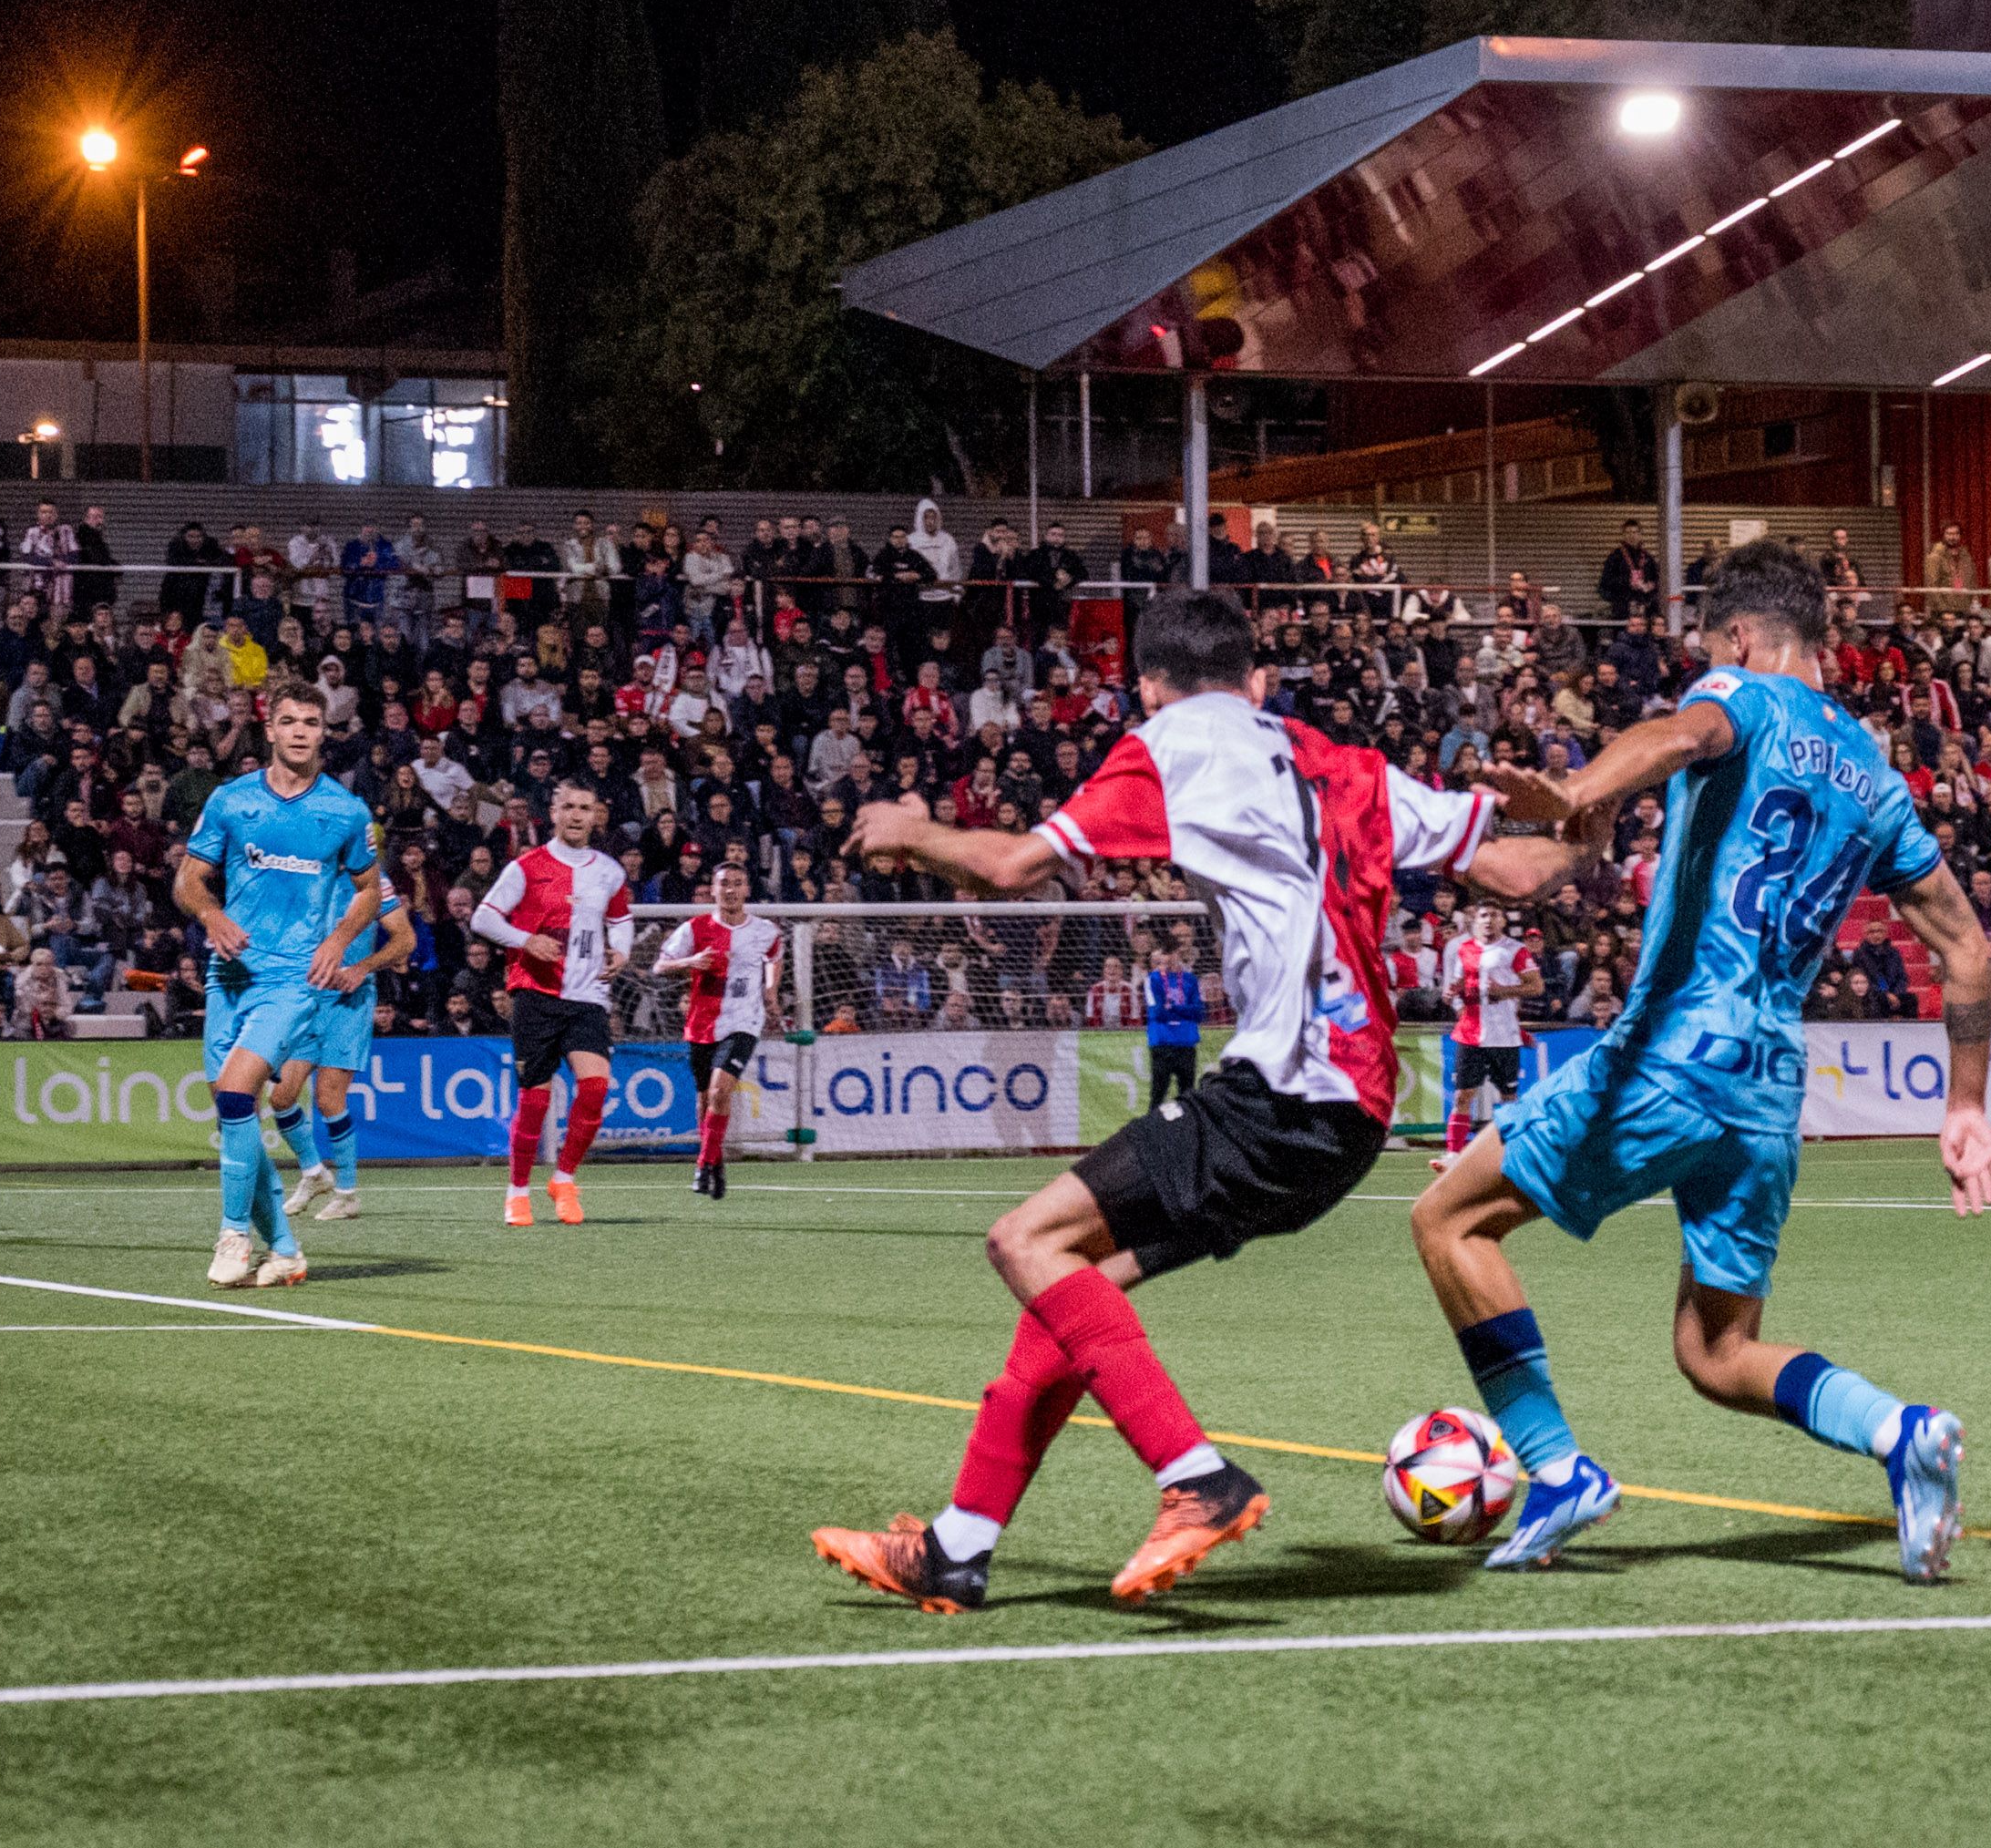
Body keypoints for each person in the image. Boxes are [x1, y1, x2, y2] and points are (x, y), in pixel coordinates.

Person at [809, 587, 1583, 1617]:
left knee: (1023, 1242)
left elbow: (1008, 864)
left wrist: (913, 828)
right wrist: (1598, 814)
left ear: (1149, 687)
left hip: (1278, 1095)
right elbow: (1522, 869)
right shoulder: (1348, 763)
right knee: (1071, 1288)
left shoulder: (1172, 742)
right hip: (1347, 1116)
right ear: (1256, 678)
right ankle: (957, 1546)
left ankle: (1196, 1477)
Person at [1416, 538, 1991, 1583]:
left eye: (1707, 648)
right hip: (1770, 1090)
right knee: (1716, 1353)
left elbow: (1679, 730)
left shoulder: (1742, 693)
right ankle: (1901, 1431)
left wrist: (1572, 786)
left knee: (1449, 1218)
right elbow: (1967, 947)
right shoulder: (1874, 775)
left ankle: (1555, 1470)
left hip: (1672, 1053)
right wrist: (1965, 1107)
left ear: (1738, 637)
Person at [173, 680, 387, 1287]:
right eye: (288, 721)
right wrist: (212, 915)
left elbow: (370, 889)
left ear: (324, 732)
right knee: (232, 1113)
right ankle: (287, 1249)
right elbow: (188, 880)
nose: (300, 732)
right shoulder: (230, 801)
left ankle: (233, 1235)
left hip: (295, 980)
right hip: (230, 975)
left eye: (311, 723)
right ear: (268, 729)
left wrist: (338, 940)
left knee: (239, 1094)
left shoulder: (345, 811)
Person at [470, 779, 637, 1228]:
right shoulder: (526, 867)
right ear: (555, 812)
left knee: (596, 1088)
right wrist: (526, 941)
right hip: (536, 995)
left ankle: (563, 1179)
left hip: (588, 996)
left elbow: (620, 920)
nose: (578, 815)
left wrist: (620, 951)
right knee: (535, 1100)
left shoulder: (609, 870)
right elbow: (482, 917)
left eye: (586, 807)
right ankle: (517, 1191)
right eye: (569, 807)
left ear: (595, 813)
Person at [269, 869, 412, 1224]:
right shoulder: (299, 870)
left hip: (349, 1002)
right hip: (302, 999)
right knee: (281, 1097)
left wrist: (362, 968)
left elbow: (404, 940)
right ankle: (314, 1172)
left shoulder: (374, 881)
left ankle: (347, 1193)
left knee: (329, 1099)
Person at [652, 859, 784, 1200]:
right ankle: (716, 1161)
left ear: (747, 889)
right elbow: (659, 966)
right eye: (724, 883)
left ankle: (702, 1164)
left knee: (718, 1092)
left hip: (744, 1022)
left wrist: (770, 991)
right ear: (713, 889)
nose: (730, 889)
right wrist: (689, 963)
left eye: (737, 883)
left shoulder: (764, 930)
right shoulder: (694, 929)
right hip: (702, 1024)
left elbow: (775, 956)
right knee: (703, 1100)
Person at [1439, 899, 1536, 1159]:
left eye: (1495, 914)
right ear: (1475, 920)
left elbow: (1536, 986)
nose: (1489, 920)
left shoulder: (1515, 950)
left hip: (1504, 1035)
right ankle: (1452, 1156)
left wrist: (1505, 992)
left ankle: (1512, 1153)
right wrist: (1452, 991)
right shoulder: (1464, 949)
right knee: (1463, 1095)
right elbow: (1460, 982)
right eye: (1484, 915)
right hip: (1470, 1033)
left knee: (1508, 1096)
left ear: (1503, 920)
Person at [1141, 925, 1204, 1109]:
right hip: (1162, 1043)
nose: (1167, 958)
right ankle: (1153, 1136)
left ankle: (1188, 1135)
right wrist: (1185, 1011)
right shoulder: (1153, 980)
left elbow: (1199, 1013)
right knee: (1158, 1094)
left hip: (1186, 1043)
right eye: (1164, 954)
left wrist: (1174, 1007)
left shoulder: (1190, 980)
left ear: (1178, 953)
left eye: (1170, 953)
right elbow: (1157, 1013)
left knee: (1188, 1096)